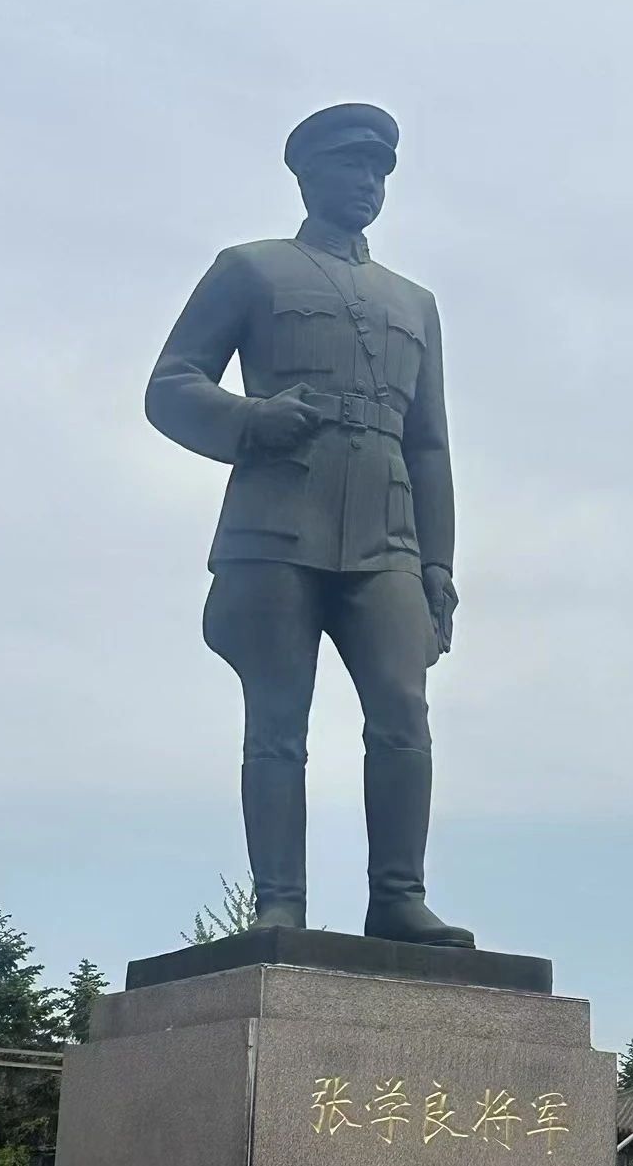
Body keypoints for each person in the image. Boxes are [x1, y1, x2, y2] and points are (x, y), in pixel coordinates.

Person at [145, 103, 473, 947]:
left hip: (387, 538)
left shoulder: (415, 303)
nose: (367, 183)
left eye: (379, 172)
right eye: (351, 167)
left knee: (403, 710)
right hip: (276, 527)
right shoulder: (250, 270)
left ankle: (397, 897)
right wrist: (250, 419)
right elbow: (170, 386)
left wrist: (438, 565)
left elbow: (429, 444)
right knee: (277, 720)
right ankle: (279, 901)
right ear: (308, 176)